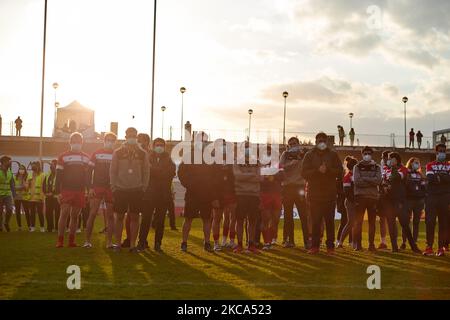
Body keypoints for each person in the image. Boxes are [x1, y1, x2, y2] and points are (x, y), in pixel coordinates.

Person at [301, 132, 343, 254]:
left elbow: (340, 171)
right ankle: (315, 246)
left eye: (323, 140)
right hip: (314, 194)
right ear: (316, 141)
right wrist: (317, 170)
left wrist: (328, 170)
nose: (321, 142)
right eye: (319, 140)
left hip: (329, 194)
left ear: (326, 141)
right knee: (315, 222)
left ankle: (330, 247)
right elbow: (303, 173)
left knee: (330, 222)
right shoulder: (309, 155)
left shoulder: (333, 155)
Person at [110, 127, 150, 253]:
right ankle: (117, 244)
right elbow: (112, 170)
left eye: (134, 135)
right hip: (120, 189)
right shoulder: (118, 152)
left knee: (134, 217)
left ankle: (132, 245)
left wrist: (144, 186)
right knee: (119, 217)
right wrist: (113, 186)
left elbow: (146, 171)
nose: (132, 137)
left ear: (136, 137)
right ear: (126, 136)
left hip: (136, 189)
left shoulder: (143, 153)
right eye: (130, 135)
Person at [179, 132, 219, 252]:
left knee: (207, 219)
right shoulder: (188, 156)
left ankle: (207, 242)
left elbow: (215, 178)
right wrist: (189, 184)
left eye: (204, 140)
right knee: (188, 219)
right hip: (192, 193)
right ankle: (184, 242)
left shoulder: (211, 158)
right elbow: (181, 173)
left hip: (206, 194)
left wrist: (213, 195)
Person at [137, 138, 176, 252]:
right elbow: (145, 172)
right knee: (146, 220)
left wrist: (153, 170)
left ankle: (158, 243)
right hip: (149, 195)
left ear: (164, 146)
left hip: (163, 195)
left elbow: (170, 173)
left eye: (161, 145)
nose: (159, 147)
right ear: (153, 146)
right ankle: (142, 242)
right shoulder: (147, 157)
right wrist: (159, 171)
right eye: (157, 145)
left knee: (160, 221)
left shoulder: (169, 160)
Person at [55, 132, 91, 248]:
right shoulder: (63, 156)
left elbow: (88, 176)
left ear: (82, 143)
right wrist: (57, 192)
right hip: (66, 189)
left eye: (79, 142)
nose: (77, 144)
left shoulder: (86, 157)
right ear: (70, 142)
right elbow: (58, 175)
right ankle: (60, 240)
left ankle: (71, 240)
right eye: (74, 142)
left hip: (80, 190)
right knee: (64, 213)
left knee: (75, 216)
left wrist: (88, 189)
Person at [381, 152, 421, 253]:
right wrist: (385, 185)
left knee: (404, 223)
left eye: (391, 158)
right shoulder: (386, 168)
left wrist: (392, 170)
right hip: (388, 200)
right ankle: (394, 247)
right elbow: (383, 180)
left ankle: (413, 246)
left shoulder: (403, 169)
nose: (388, 160)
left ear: (396, 160)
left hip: (399, 200)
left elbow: (395, 177)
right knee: (390, 223)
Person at [83, 132, 117, 249]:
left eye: (112, 140)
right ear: (104, 140)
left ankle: (109, 242)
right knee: (92, 213)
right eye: (108, 139)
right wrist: (90, 187)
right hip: (97, 187)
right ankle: (87, 241)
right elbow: (88, 171)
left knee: (110, 216)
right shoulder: (96, 153)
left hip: (111, 188)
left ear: (115, 142)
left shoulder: (116, 154)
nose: (110, 142)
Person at [279, 137, 309, 249]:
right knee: (288, 215)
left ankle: (307, 241)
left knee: (303, 215)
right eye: (290, 144)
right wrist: (292, 163)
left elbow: (306, 167)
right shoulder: (285, 154)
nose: (292, 145)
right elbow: (280, 167)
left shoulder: (304, 154)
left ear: (298, 143)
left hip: (300, 186)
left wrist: (299, 159)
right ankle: (289, 240)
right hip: (287, 187)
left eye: (294, 143)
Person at [232, 141, 261, 253]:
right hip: (240, 194)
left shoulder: (257, 162)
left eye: (249, 147)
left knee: (252, 221)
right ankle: (239, 245)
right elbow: (237, 176)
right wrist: (252, 175)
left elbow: (259, 177)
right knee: (239, 220)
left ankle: (251, 244)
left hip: (254, 195)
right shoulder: (236, 162)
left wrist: (245, 176)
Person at [352, 147, 382, 251]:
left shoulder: (377, 167)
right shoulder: (357, 167)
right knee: (358, 222)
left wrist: (364, 179)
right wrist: (371, 181)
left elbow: (378, 180)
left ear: (372, 155)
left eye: (369, 153)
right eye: (365, 153)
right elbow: (357, 181)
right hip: (360, 197)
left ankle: (371, 245)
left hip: (372, 198)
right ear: (362, 154)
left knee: (372, 222)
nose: (367, 155)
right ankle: (358, 245)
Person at [423, 144, 449, 256]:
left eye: (444, 151)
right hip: (431, 197)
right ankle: (429, 247)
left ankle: (440, 248)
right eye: (440, 151)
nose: (442, 153)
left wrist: (438, 177)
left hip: (445, 197)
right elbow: (430, 178)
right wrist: (444, 178)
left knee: (443, 223)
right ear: (436, 153)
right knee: (430, 222)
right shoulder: (430, 165)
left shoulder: (449, 165)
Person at [211, 139, 237, 251]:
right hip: (218, 194)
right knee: (217, 218)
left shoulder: (233, 162)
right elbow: (210, 181)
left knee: (231, 218)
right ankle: (216, 243)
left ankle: (228, 240)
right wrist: (213, 196)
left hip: (231, 193)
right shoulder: (213, 162)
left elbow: (236, 177)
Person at [259, 145, 283, 250]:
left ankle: (273, 238)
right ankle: (267, 241)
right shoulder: (260, 164)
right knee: (266, 219)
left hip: (277, 194)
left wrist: (271, 176)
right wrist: (268, 177)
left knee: (276, 219)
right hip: (265, 194)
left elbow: (283, 176)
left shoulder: (278, 164)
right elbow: (259, 178)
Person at [400, 157, 426, 249]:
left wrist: (422, 197)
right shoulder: (406, 173)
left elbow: (424, 187)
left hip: (419, 201)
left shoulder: (420, 175)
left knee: (416, 222)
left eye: (418, 163)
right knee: (406, 222)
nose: (417, 164)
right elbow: (404, 186)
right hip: (408, 200)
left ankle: (414, 242)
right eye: (415, 162)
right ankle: (404, 242)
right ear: (410, 163)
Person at [336, 156, 358, 248]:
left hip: (354, 201)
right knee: (350, 222)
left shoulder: (355, 176)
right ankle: (340, 241)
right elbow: (347, 192)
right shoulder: (347, 176)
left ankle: (353, 242)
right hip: (350, 202)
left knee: (354, 222)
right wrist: (354, 201)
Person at [27, 161, 45, 232]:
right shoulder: (30, 175)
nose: (33, 167)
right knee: (32, 213)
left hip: (39, 198)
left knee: (40, 213)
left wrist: (42, 197)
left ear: (38, 166)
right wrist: (27, 184)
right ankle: (32, 227)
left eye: (34, 166)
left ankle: (42, 227)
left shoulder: (43, 175)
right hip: (31, 198)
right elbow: (27, 185)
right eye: (32, 166)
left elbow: (43, 187)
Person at [43, 160, 60, 232]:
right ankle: (49, 227)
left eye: (52, 165)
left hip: (56, 197)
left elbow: (59, 186)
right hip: (48, 197)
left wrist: (52, 193)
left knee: (57, 213)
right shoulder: (47, 175)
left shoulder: (59, 175)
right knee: (48, 212)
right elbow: (43, 185)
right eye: (51, 165)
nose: (51, 166)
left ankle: (57, 228)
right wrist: (45, 193)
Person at [0, 156, 15, 232]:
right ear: (3, 162)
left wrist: (14, 194)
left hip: (8, 194)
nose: (10, 162)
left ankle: (6, 222)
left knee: (9, 209)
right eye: (9, 161)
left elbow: (12, 183)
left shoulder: (9, 171)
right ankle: (0, 226)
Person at [13, 164, 29, 231]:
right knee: (17, 212)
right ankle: (19, 227)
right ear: (18, 170)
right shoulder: (15, 177)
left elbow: (26, 188)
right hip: (17, 197)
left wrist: (22, 187)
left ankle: (29, 226)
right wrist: (21, 187)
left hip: (24, 197)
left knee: (27, 211)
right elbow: (13, 187)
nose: (21, 170)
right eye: (20, 169)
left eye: (22, 169)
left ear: (25, 170)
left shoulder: (27, 177)